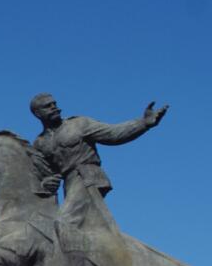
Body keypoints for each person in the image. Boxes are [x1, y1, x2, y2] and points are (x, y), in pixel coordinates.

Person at [29, 92, 167, 231]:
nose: (54, 108)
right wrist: (47, 183)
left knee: (65, 223)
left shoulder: (79, 123)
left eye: (55, 104)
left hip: (88, 178)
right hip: (69, 186)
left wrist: (143, 123)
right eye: (48, 106)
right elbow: (44, 175)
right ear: (37, 113)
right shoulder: (40, 143)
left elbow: (114, 134)